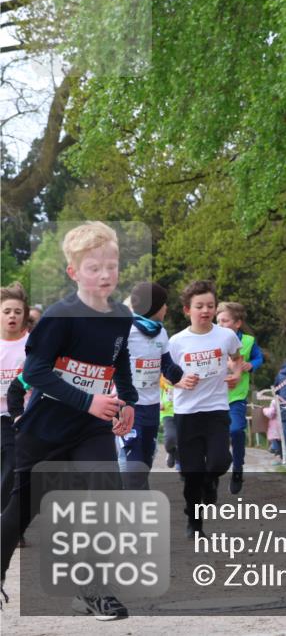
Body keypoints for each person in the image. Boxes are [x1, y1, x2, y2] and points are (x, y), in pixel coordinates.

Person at [0, 221, 136, 620]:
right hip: (45, 429)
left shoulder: (121, 316)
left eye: (111, 265)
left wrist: (124, 401)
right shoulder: (60, 316)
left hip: (90, 429)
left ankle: (92, 590)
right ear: (74, 273)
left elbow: (119, 361)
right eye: (94, 267)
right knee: (22, 507)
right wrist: (87, 400)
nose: (106, 274)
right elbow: (37, 373)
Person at [168, 280, 243, 539]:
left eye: (210, 305)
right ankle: (195, 523)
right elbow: (166, 374)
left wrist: (235, 375)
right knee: (191, 474)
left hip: (216, 409)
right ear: (187, 310)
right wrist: (178, 380)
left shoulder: (226, 336)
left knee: (220, 460)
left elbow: (237, 359)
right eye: (199, 306)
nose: (205, 310)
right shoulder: (176, 342)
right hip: (187, 413)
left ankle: (211, 481)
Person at [123, 282, 194, 489]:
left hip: (152, 405)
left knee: (146, 457)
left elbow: (167, 365)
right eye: (164, 304)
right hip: (129, 405)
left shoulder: (161, 333)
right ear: (153, 307)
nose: (166, 308)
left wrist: (180, 376)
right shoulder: (125, 330)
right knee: (133, 454)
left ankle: (136, 491)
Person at [216, 301, 264, 494]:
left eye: (224, 321)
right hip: (214, 398)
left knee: (236, 431)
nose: (220, 325)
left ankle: (238, 468)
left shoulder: (248, 342)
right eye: (217, 321)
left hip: (237, 396)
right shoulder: (211, 340)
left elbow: (259, 358)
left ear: (237, 323)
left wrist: (251, 365)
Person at [1, 282, 30, 512]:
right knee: (8, 467)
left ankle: (10, 524)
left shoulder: (32, 345)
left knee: (17, 468)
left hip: (25, 416)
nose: (12, 316)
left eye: (18, 312)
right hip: (1, 417)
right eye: (7, 311)